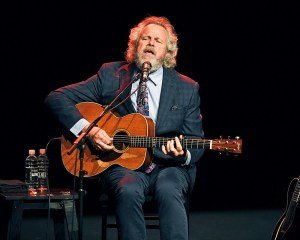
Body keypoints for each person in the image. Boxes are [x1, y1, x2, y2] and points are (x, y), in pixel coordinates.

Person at [44, 15, 205, 240]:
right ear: (135, 44)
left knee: (169, 190)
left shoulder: (186, 87)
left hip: (168, 167)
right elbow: (57, 97)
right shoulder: (111, 74)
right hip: (122, 164)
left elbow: (196, 141)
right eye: (145, 38)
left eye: (157, 41)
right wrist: (89, 129)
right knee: (128, 190)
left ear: (168, 51)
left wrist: (183, 153)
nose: (150, 43)